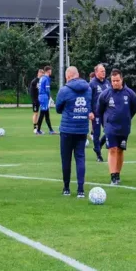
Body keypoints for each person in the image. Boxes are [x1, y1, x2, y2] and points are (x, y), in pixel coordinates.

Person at [55, 66, 92, 197]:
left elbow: (58, 108)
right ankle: (81, 190)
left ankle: (66, 188)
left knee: (66, 158)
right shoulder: (88, 89)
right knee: (80, 158)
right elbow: (89, 106)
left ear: (68, 76)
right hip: (82, 128)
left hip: (67, 129)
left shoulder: (64, 90)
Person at [96, 69, 136, 185]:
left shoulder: (130, 94)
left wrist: (127, 118)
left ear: (122, 80)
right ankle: (113, 175)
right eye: (113, 81)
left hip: (124, 127)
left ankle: (118, 174)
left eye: (117, 80)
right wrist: (106, 122)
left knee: (120, 150)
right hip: (110, 127)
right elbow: (100, 110)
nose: (115, 83)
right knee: (112, 149)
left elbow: (134, 109)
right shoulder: (105, 94)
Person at [88, 64, 109, 162]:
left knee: (109, 131)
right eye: (101, 71)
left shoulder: (108, 83)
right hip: (96, 113)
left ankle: (99, 145)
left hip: (107, 113)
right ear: (96, 73)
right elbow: (88, 99)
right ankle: (99, 155)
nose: (104, 72)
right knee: (96, 134)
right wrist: (90, 111)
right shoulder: (92, 84)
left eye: (104, 71)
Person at [35, 65, 55, 135]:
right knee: (42, 113)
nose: (51, 72)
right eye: (51, 70)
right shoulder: (46, 78)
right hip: (44, 97)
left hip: (41, 96)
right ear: (49, 71)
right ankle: (38, 130)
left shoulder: (42, 78)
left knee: (46, 113)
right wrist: (50, 97)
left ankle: (51, 130)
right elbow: (47, 89)